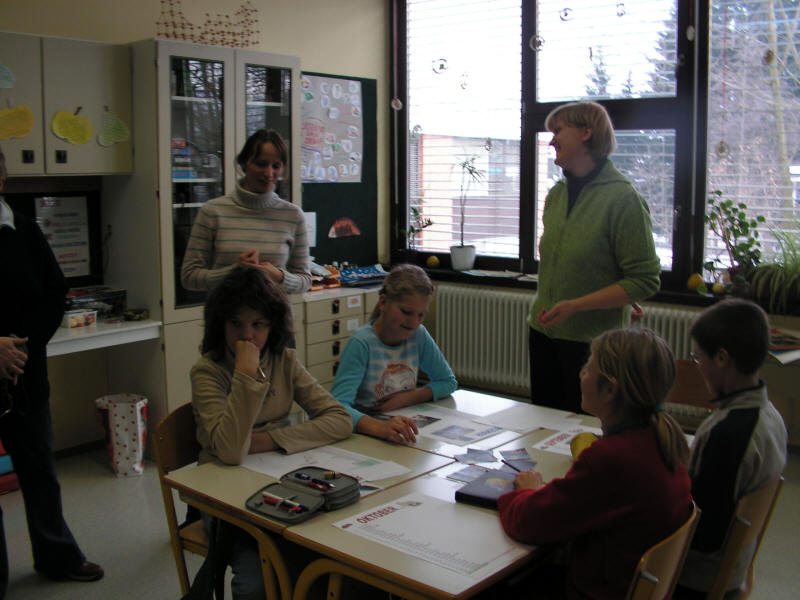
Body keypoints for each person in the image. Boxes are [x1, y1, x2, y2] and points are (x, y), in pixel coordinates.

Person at [190, 266, 351, 600]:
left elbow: (339, 419)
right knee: (257, 582)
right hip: (222, 489)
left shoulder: (284, 360)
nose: (246, 336)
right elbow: (231, 453)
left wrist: (268, 440)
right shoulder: (207, 371)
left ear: (273, 325)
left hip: (278, 475)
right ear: (220, 324)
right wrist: (245, 376)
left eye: (258, 324)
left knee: (334, 554)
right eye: (236, 323)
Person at [497, 328, 692, 600]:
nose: (581, 375)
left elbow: (528, 522)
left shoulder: (610, 459)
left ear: (610, 389)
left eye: (588, 368)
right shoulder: (664, 439)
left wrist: (526, 491)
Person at [0, 146, 103, 596]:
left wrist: (19, 347)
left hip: (24, 376)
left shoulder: (24, 230)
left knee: (40, 470)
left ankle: (57, 555)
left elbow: (55, 291)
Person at [528, 101, 661, 414]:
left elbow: (645, 280)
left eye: (559, 130)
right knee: (543, 425)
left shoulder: (624, 199)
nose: (551, 140)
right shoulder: (556, 195)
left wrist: (576, 305)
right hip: (543, 334)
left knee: (586, 431)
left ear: (586, 132)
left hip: (594, 345)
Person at [675, 298, 787, 598]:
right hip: (734, 565)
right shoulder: (770, 415)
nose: (698, 365)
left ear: (722, 358)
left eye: (698, 356)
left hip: (697, 578)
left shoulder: (728, 434)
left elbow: (703, 536)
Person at [330, 264, 457, 443]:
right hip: (366, 434)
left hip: (401, 427)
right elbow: (338, 408)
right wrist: (378, 427)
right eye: (406, 312)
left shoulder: (418, 335)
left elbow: (447, 381)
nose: (413, 322)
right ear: (383, 303)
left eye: (421, 315)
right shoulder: (362, 343)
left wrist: (408, 398)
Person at [181, 128, 311, 295]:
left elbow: (305, 281)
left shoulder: (293, 215)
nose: (269, 173)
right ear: (244, 164)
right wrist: (235, 272)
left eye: (276, 166)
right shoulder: (212, 212)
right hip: (226, 312)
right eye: (261, 164)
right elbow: (189, 277)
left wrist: (278, 276)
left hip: (274, 312)